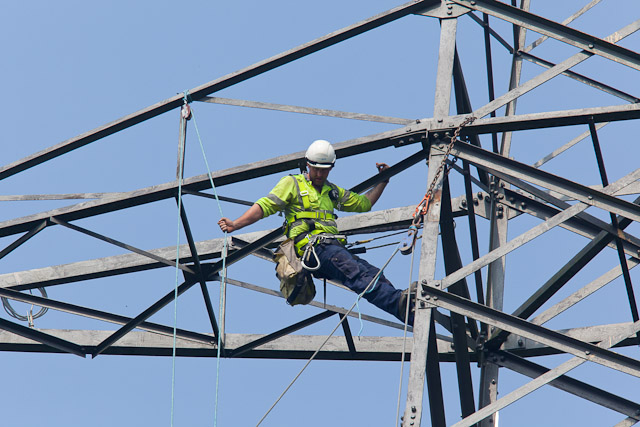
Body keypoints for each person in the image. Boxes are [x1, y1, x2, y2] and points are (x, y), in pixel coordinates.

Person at [218, 139, 413, 325]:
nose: (320, 174)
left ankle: (405, 309)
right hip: (313, 249)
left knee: (372, 273)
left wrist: (383, 181)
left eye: (324, 170)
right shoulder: (292, 183)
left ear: (331, 168)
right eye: (316, 169)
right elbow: (265, 206)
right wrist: (236, 224)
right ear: (308, 165)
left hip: (332, 248)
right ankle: (397, 303)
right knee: (356, 274)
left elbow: (364, 203)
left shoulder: (331, 191)